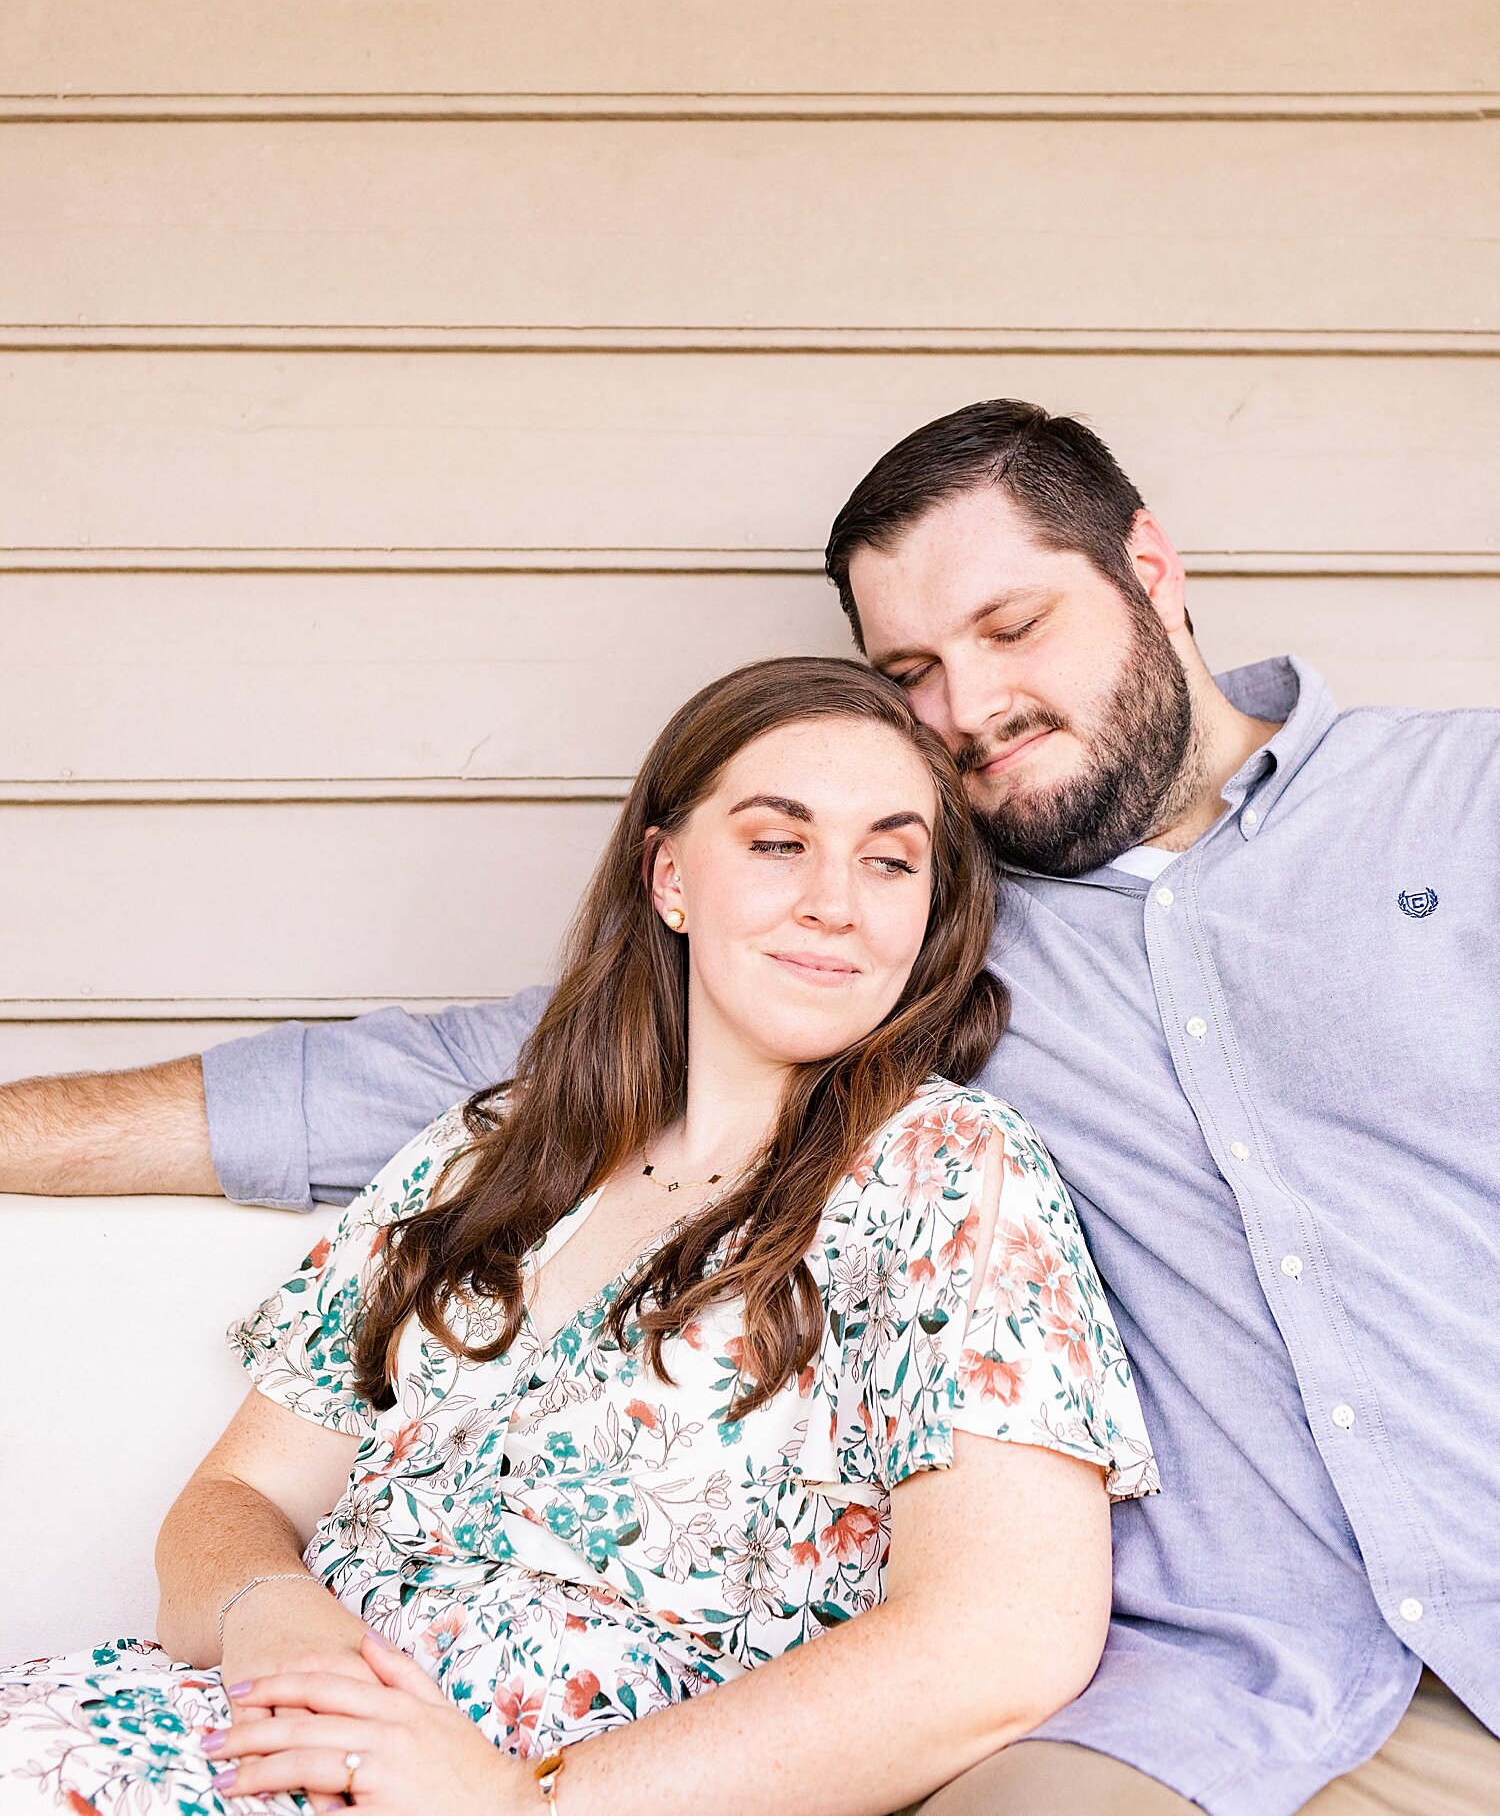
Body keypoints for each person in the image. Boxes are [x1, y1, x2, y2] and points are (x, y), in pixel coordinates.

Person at [2, 399, 1497, 1814]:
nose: (968, 707)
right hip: (1215, 1692)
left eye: (1012, 623)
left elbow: (984, 1631)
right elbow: (482, 1068)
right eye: (912, 670)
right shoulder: (911, 950)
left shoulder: (1460, 804)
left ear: (1151, 570)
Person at [0, 656, 1155, 1816]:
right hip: (217, 1734)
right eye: (775, 842)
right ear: (670, 878)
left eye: (890, 860)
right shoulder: (492, 1149)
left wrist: (521, 1799)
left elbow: (1002, 1640)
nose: (835, 901)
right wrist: (268, 1614)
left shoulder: (950, 1173)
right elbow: (239, 1492)